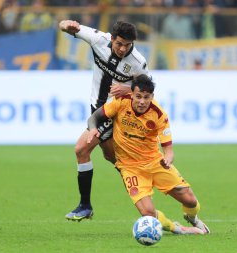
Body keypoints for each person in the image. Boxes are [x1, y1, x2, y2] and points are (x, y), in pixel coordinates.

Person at [86, 74, 210, 234]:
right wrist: (93, 129)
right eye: (138, 96)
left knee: (190, 201)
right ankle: (178, 228)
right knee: (148, 213)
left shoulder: (159, 115)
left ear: (152, 96)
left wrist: (167, 159)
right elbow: (93, 118)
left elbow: (169, 150)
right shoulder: (121, 102)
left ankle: (193, 218)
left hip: (155, 162)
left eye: (146, 97)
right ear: (132, 94)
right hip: (129, 167)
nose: (142, 101)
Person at [59, 19, 149, 221]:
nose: (123, 49)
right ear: (112, 39)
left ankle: (85, 206)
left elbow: (149, 88)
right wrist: (66, 25)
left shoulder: (137, 61)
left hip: (113, 112)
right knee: (113, 158)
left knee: (81, 149)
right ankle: (141, 186)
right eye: (119, 44)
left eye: (127, 45)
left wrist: (128, 89)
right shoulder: (98, 40)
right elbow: (66, 25)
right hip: (96, 108)